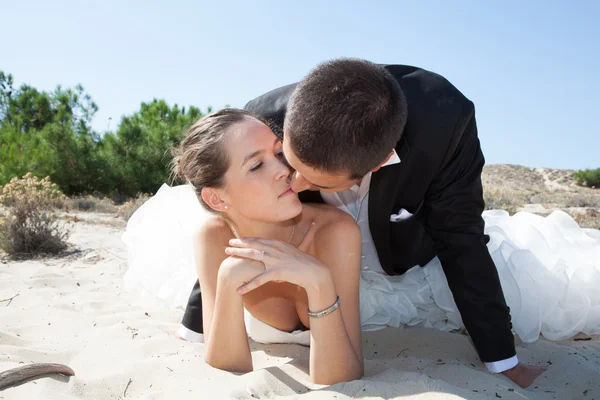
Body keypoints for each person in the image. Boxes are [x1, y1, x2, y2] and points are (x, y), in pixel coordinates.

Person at [174, 58, 600, 388]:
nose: (293, 179)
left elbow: (460, 236)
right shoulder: (263, 121)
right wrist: (197, 322)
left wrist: (503, 360)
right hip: (294, 242)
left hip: (402, 249)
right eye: (287, 158)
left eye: (312, 178)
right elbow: (232, 215)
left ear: (379, 163)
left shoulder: (445, 125)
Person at [124, 108, 364, 385]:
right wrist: (227, 280)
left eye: (278, 153)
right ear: (216, 199)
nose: (284, 170)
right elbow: (227, 365)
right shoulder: (214, 238)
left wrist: (318, 280)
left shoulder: (334, 231)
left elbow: (344, 376)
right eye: (256, 166)